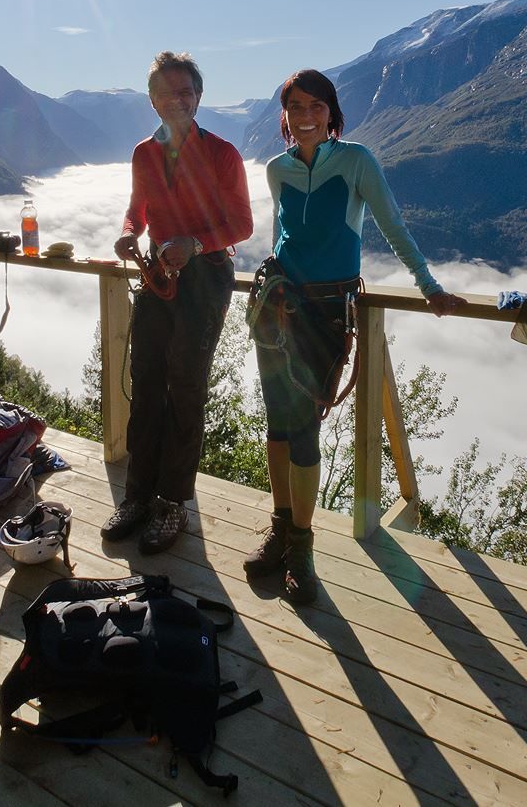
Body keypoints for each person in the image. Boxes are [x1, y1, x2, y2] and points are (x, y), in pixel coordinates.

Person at [248, 69, 466, 603]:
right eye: (294, 106)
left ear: (331, 112)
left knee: (304, 430)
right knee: (278, 425)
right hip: (279, 309)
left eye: (314, 106)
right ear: (284, 113)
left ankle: (301, 546)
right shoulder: (277, 169)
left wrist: (429, 287)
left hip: (325, 312)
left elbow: (392, 225)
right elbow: (282, 233)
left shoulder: (357, 161)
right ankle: (281, 530)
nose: (304, 116)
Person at [105, 51, 252, 553]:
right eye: (167, 94)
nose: (177, 101)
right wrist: (128, 234)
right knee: (145, 380)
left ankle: (173, 503)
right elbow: (137, 211)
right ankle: (138, 496)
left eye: (185, 92)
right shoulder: (144, 153)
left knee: (185, 386)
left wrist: (193, 243)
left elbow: (243, 225)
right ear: (152, 100)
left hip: (205, 276)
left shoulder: (223, 153)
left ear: (198, 96)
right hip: (159, 271)